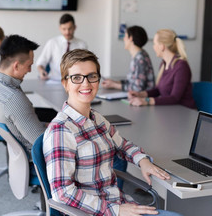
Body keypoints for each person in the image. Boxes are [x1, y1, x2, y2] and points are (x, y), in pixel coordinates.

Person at [43, 49, 183, 216]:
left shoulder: (96, 118)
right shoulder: (61, 130)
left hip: (119, 204)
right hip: (96, 212)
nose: (86, 84)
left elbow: (122, 144)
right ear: (65, 83)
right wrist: (115, 210)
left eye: (92, 76)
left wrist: (142, 160)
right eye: (77, 78)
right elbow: (62, 192)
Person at [0, 35, 46, 155]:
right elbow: (42, 143)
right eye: (29, 65)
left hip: (18, 155)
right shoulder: (14, 99)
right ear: (16, 65)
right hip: (38, 160)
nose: (30, 70)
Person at [128, 29, 196, 109]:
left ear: (162, 46)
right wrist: (141, 94)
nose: (153, 47)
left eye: (154, 44)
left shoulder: (181, 66)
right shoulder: (164, 64)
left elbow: (174, 98)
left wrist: (146, 101)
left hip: (184, 112)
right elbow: (158, 90)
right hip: (170, 110)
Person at [102, 26, 155, 92]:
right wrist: (114, 82)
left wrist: (114, 85)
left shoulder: (140, 59)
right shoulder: (138, 55)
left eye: (125, 36)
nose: (124, 39)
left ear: (130, 38)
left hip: (141, 99)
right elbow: (131, 81)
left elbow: (138, 88)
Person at [36, 13, 87, 81]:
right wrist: (41, 71)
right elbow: (40, 63)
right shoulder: (52, 43)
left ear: (75, 27)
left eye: (70, 28)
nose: (67, 32)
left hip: (75, 81)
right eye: (64, 29)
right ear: (60, 28)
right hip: (55, 81)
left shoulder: (82, 45)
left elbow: (85, 65)